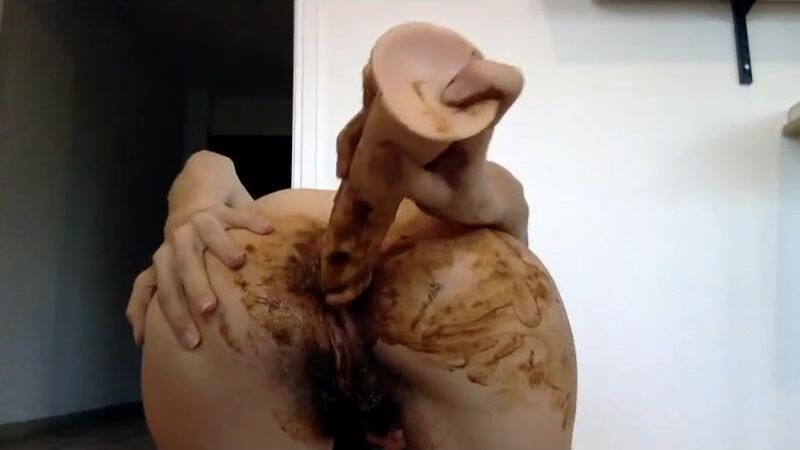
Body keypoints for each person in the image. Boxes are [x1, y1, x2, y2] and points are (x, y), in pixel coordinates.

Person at [126, 59, 577, 450]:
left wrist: (198, 185)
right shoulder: (439, 242)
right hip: (453, 275)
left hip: (235, 284)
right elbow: (507, 228)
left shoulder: (273, 225)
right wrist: (198, 189)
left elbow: (213, 169)